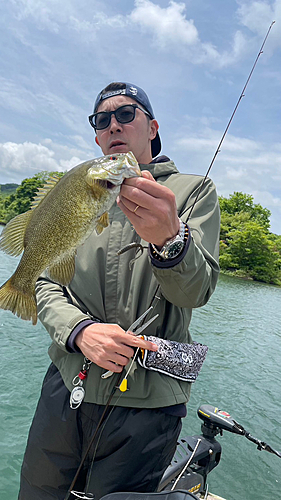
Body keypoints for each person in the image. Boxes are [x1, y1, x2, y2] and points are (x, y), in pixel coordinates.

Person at [18, 82, 220, 500]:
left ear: (152, 127)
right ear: (96, 135)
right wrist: (78, 330)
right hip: (66, 385)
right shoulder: (78, 187)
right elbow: (46, 283)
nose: (113, 125)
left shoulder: (193, 192)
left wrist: (171, 240)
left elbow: (195, 292)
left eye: (126, 114)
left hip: (147, 408)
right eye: (102, 120)